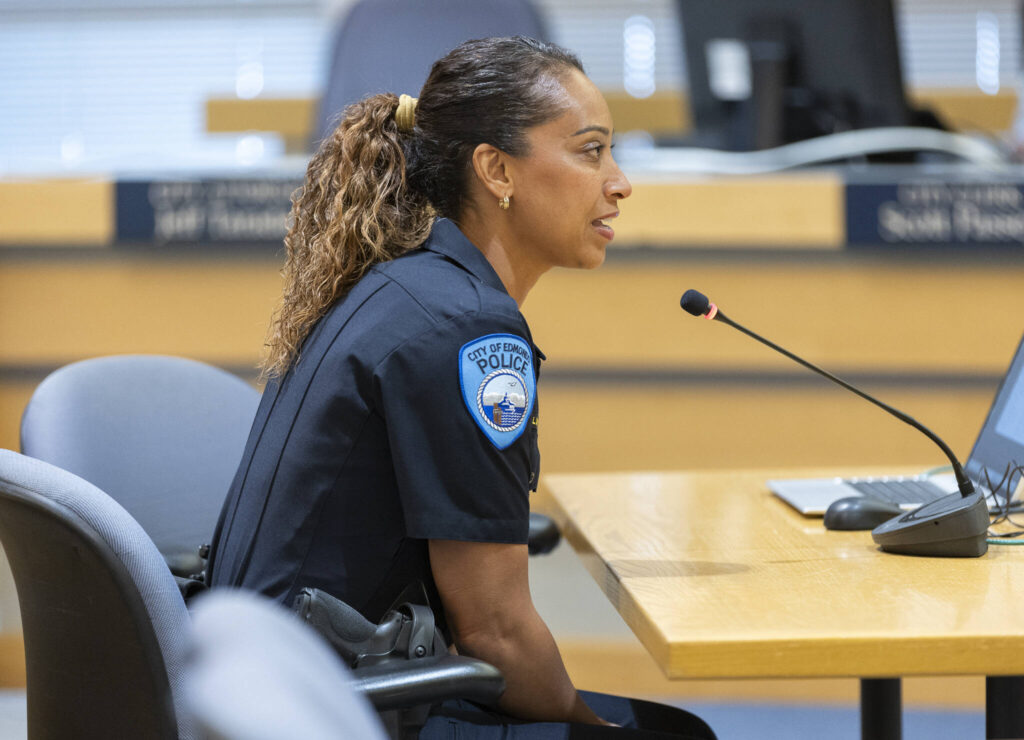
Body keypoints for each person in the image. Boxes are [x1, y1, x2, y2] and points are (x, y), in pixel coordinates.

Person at [207, 36, 716, 740]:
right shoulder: (469, 329)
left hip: (270, 685)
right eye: (590, 151)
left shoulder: (406, 282)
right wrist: (587, 723)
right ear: (496, 170)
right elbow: (495, 634)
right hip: (327, 708)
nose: (620, 182)